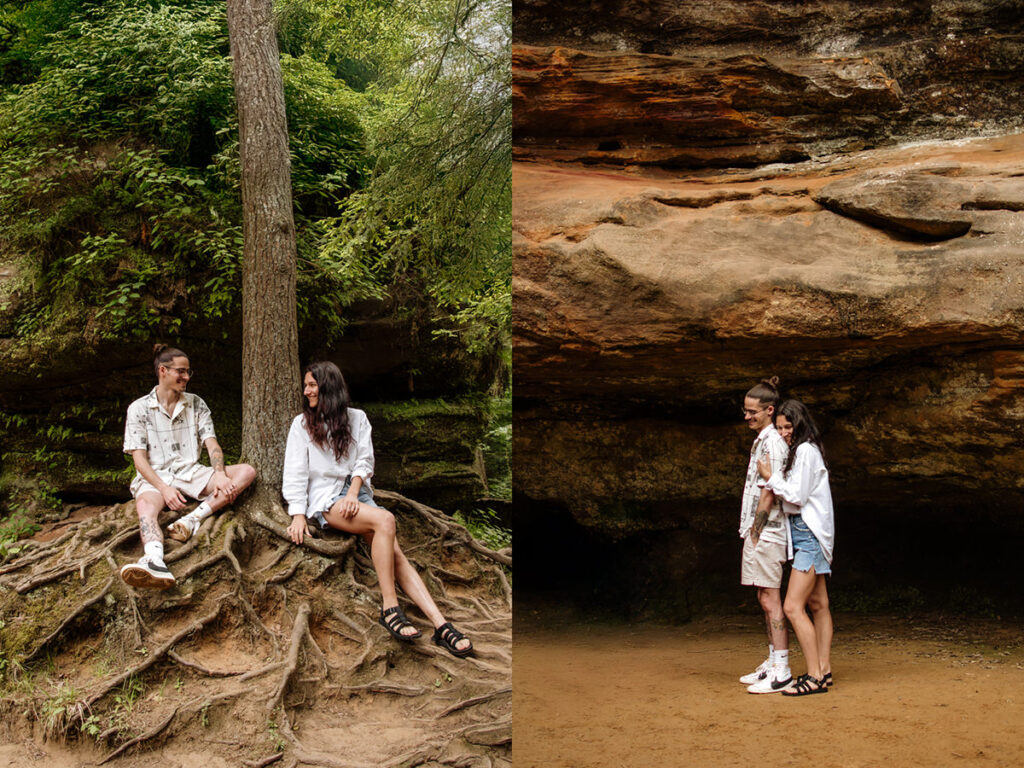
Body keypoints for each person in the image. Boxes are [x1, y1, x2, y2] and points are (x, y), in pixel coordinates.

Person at [281, 361, 473, 658]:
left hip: (357, 495)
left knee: (395, 553)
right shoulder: (301, 424)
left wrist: (355, 495)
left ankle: (440, 624)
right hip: (326, 499)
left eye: (311, 385)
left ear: (328, 385)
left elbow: (364, 461)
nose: (305, 391)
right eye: (305, 385)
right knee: (386, 519)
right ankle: (390, 607)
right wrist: (297, 513)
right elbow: (295, 472)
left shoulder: (357, 419)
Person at [121, 344, 256, 589]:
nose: (186, 377)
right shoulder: (138, 408)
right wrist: (163, 489)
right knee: (145, 508)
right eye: (181, 371)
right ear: (163, 370)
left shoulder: (196, 403)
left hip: (190, 472)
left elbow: (211, 443)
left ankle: (193, 519)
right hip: (155, 477)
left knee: (246, 472)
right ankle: (153, 559)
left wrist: (220, 474)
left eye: (188, 372)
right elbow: (139, 459)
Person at [757, 398, 835, 696]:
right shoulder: (806, 450)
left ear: (800, 424)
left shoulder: (804, 450)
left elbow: (797, 496)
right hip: (811, 534)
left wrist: (771, 478)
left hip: (809, 535)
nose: (784, 432)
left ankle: (814, 677)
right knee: (818, 605)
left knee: (792, 606)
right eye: (779, 428)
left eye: (788, 426)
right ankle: (823, 670)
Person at [738, 376, 793, 694]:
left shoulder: (772, 442)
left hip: (768, 533)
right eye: (745, 411)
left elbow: (769, 491)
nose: (747, 416)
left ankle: (782, 669)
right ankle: (773, 661)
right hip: (760, 531)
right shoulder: (763, 439)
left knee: (772, 600)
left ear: (769, 410)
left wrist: (756, 533)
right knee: (763, 597)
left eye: (752, 412)